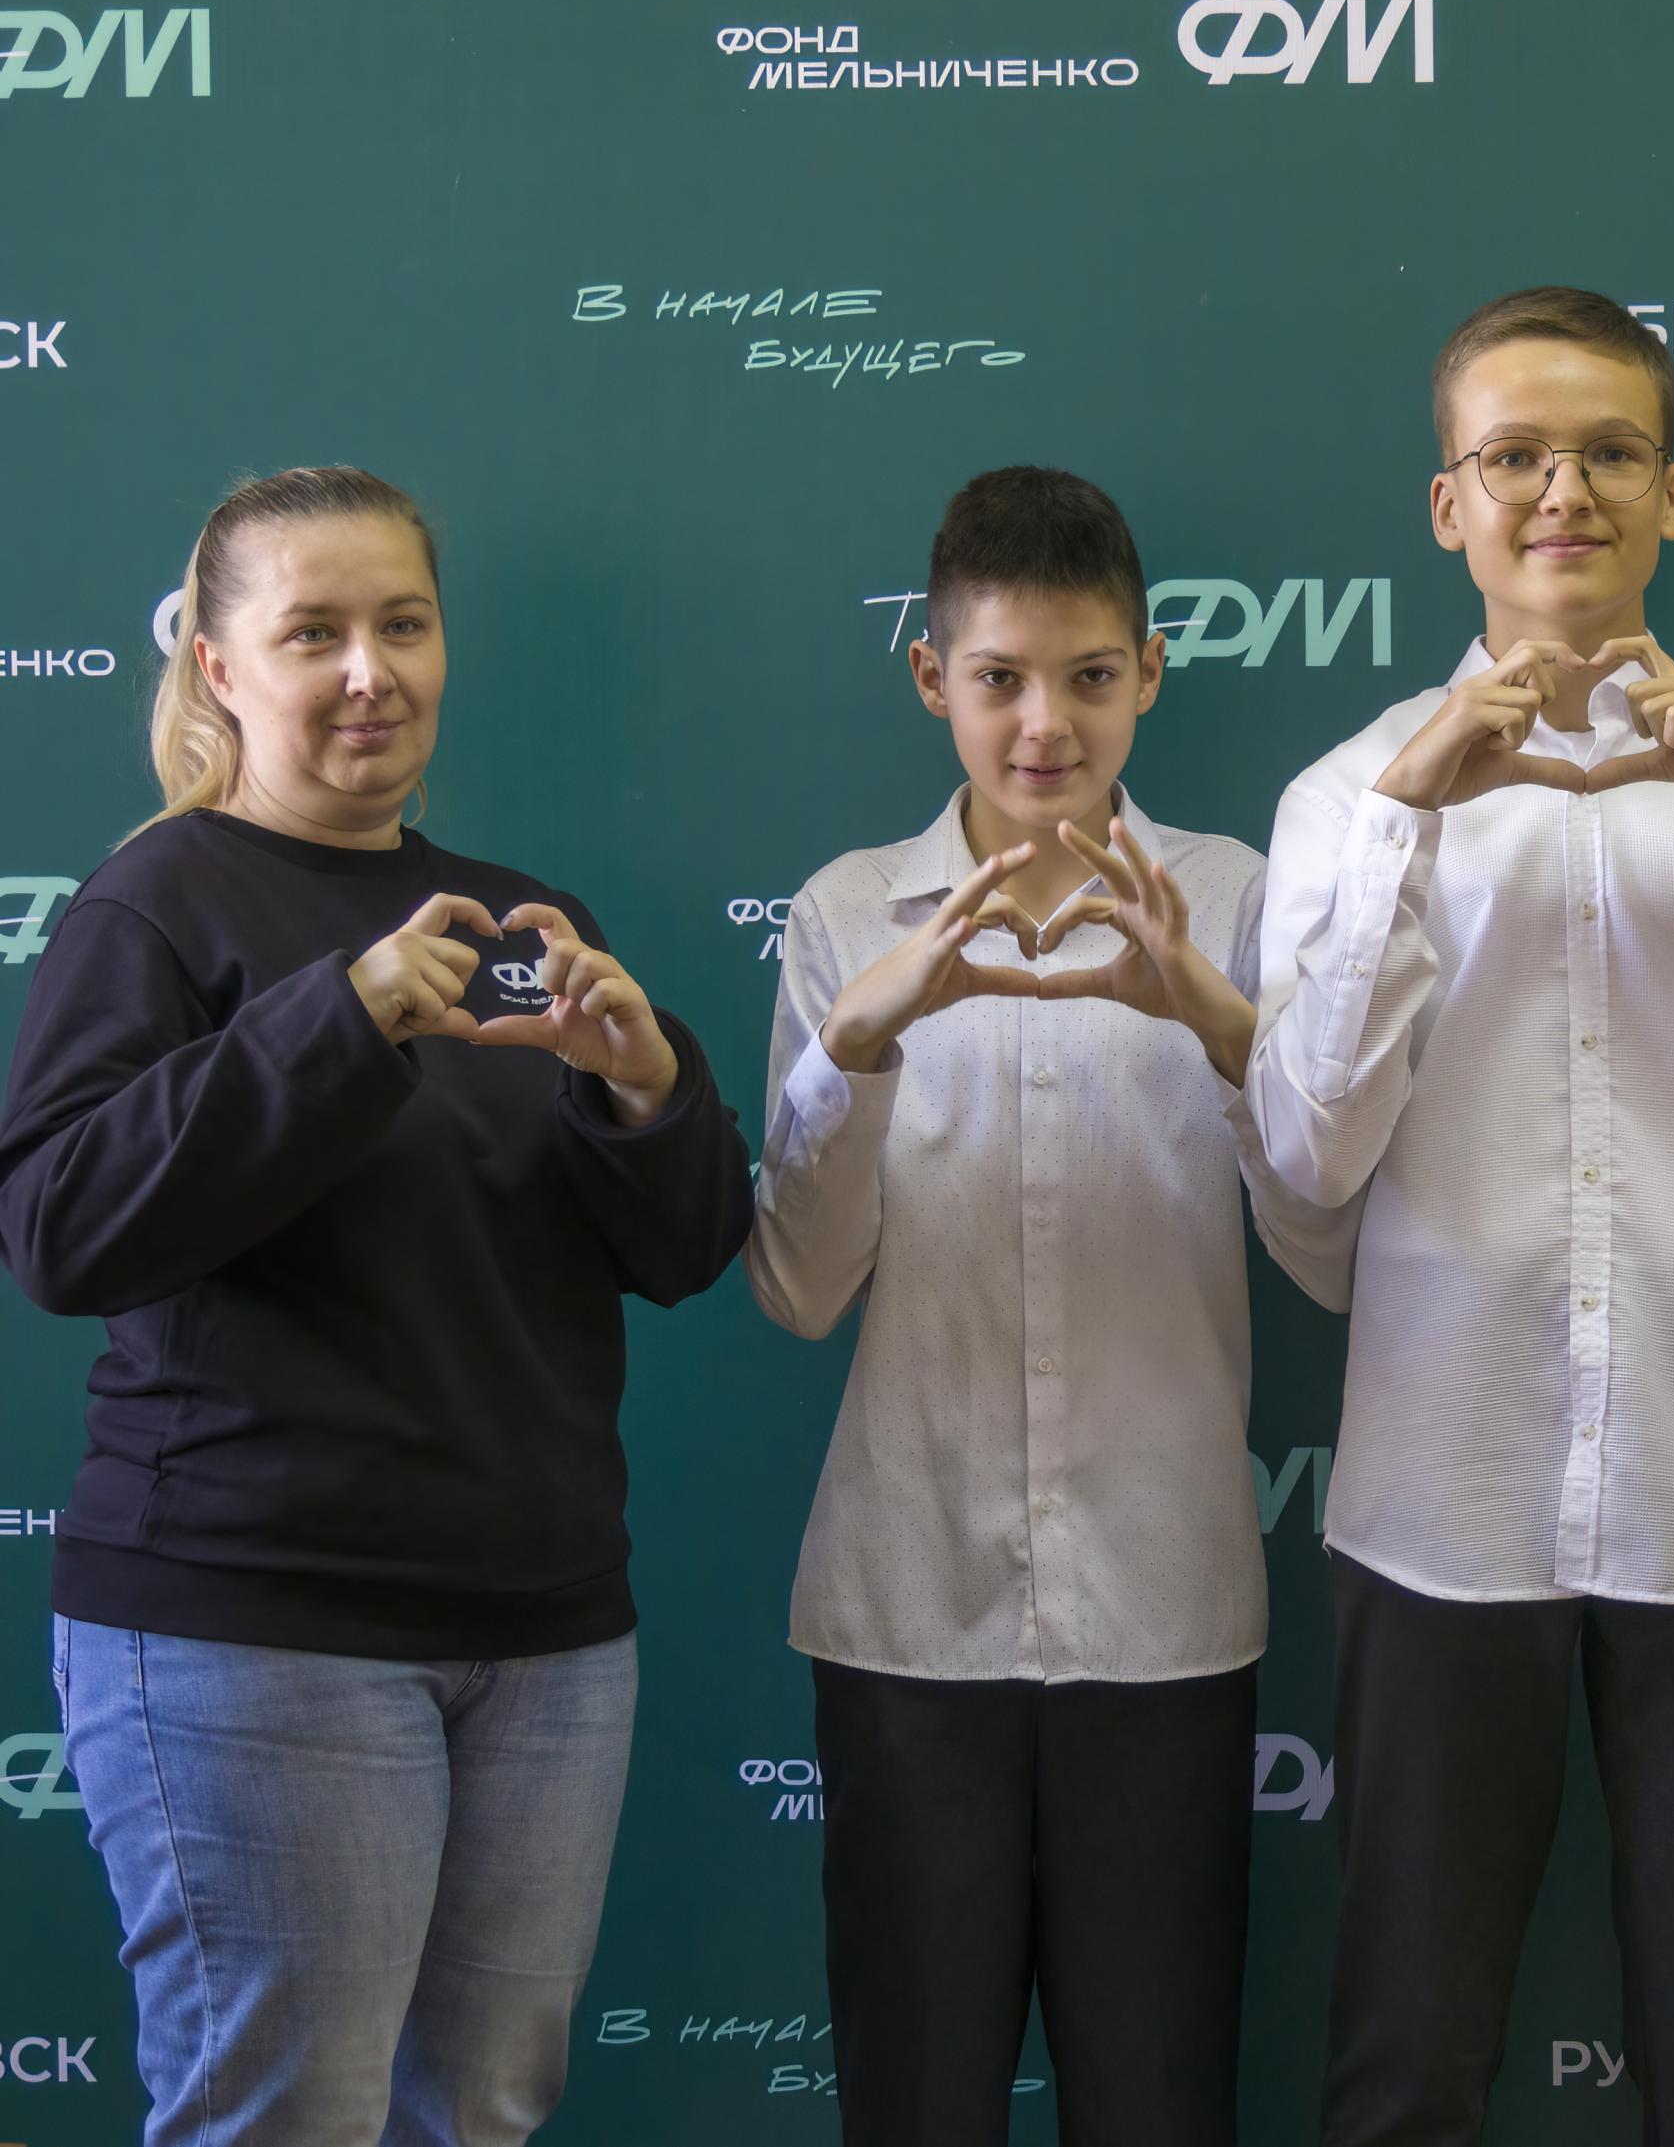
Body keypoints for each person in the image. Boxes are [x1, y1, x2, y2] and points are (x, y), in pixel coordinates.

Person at [0, 465, 753, 2146]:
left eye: (403, 624)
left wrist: (644, 1086)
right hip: (254, 1630)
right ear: (217, 665)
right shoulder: (157, 903)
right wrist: (337, 1016)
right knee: (283, 2118)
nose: (370, 671)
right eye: (315, 632)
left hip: (545, 1639)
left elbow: (686, 1246)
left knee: (479, 2112)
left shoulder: (517, 914)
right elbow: (59, 1228)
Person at [1246, 287, 1674, 2143]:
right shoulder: (1345, 793)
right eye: (1517, 456)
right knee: (1407, 2052)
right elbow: (1305, 1152)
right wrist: (1410, 819)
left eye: (1611, 452)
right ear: (1448, 503)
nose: (1566, 491)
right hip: (1443, 1495)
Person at [746, 465, 1355, 2146]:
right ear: (931, 675)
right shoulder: (844, 911)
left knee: (1158, 2104)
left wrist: (1224, 1029)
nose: (1045, 725)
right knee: (916, 2104)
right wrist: (857, 1050)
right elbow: (797, 1287)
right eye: (1000, 677)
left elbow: (1331, 1252)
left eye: (1089, 676)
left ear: (1150, 670)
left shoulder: (1238, 897)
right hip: (905, 1610)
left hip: (1164, 1613)